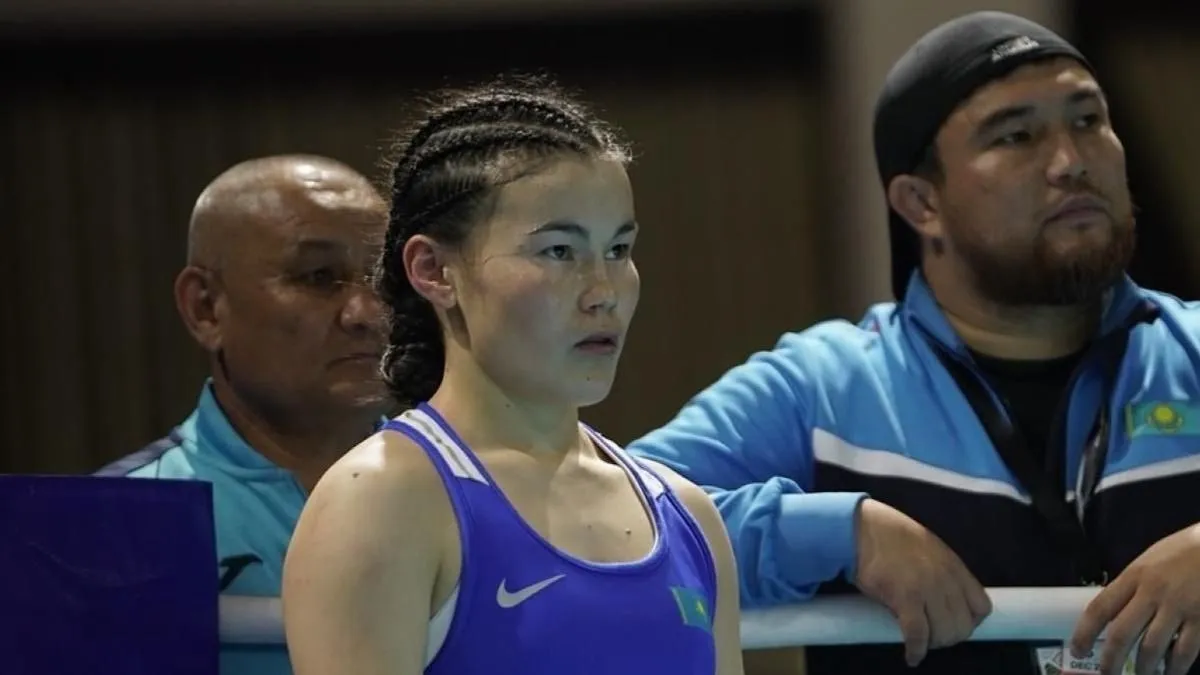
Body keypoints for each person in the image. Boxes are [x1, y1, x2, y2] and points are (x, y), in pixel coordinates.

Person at [628, 11, 1200, 675]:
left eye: (1089, 119)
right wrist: (838, 533)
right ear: (920, 203)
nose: (1071, 161)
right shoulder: (825, 390)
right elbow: (615, 519)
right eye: (1016, 136)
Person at [281, 75, 744, 675]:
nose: (603, 291)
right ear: (433, 270)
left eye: (618, 250)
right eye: (559, 251)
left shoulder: (689, 515)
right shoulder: (381, 500)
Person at [97, 154, 392, 673]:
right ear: (205, 307)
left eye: (383, 278)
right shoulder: (113, 527)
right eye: (320, 276)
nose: (367, 313)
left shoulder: (480, 495)